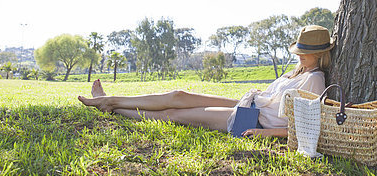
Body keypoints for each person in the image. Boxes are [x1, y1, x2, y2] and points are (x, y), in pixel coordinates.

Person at [78, 25, 333, 138]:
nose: (298, 55)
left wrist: (264, 133)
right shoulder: (298, 72)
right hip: (249, 105)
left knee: (173, 114)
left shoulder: (314, 80)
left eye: (304, 52)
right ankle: (109, 100)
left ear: (320, 54)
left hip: (253, 119)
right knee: (178, 95)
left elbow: (307, 127)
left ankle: (113, 107)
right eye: (298, 51)